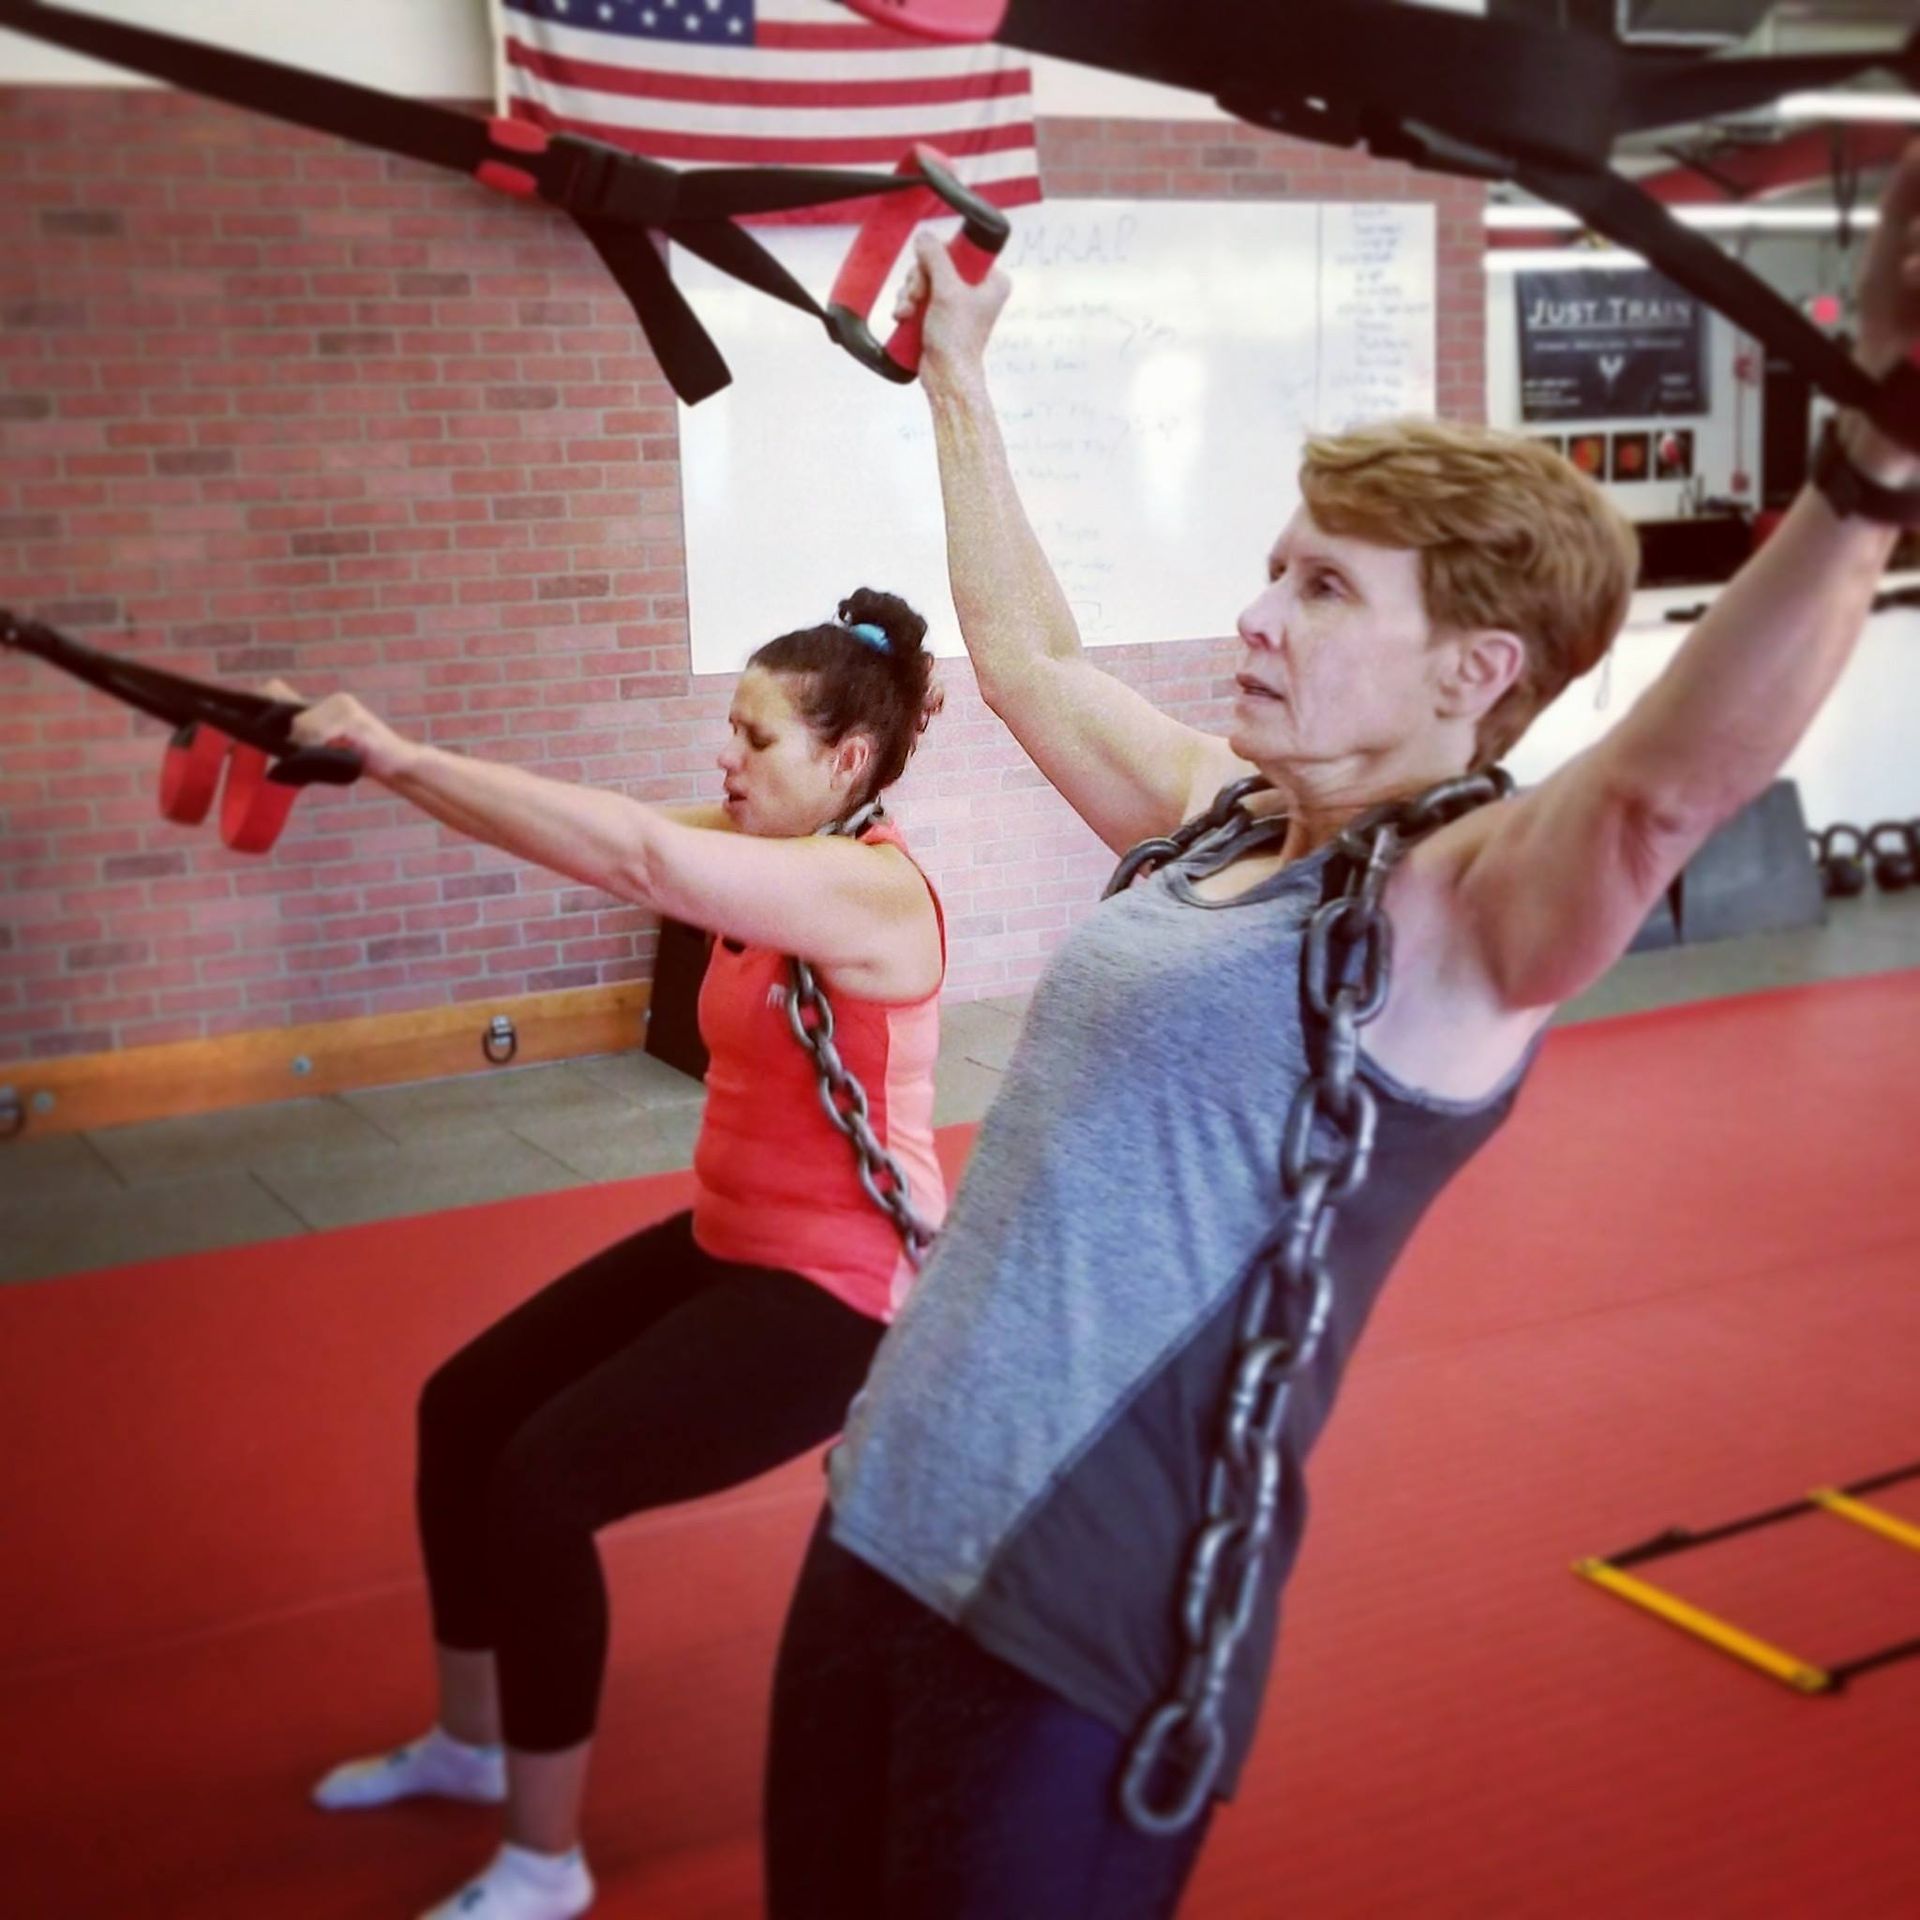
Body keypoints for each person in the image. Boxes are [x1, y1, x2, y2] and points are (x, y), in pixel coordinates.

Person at [761, 152, 1920, 1918]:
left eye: (1321, 591)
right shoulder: (1229, 811)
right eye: (1275, 569)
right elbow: (1026, 656)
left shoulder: (1456, 917)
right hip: (876, 1528)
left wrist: (1873, 465)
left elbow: (1657, 799)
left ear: (1472, 671)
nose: (1254, 614)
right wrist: (963, 380)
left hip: (1068, 1621)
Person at [288, 589, 947, 1920]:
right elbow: (599, 842)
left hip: (836, 1292)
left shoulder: (870, 888)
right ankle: (472, 1749)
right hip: (726, 1245)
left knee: (541, 1485)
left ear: (845, 764)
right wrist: (388, 765)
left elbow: (644, 862)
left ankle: (546, 1864)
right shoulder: (767, 850)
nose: (726, 755)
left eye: (755, 737)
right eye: (732, 726)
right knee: (463, 1410)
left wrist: (403, 754)